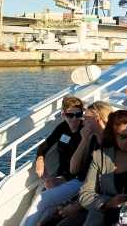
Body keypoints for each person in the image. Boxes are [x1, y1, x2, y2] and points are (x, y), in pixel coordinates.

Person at [79, 110, 127, 226]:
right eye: (123, 137)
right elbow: (85, 194)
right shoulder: (101, 157)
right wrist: (108, 202)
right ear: (114, 137)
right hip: (105, 217)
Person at [20, 96, 85, 226]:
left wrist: (62, 180)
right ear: (63, 114)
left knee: (42, 199)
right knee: (47, 209)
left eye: (78, 115)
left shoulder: (85, 132)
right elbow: (45, 145)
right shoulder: (62, 128)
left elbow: (86, 165)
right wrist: (40, 159)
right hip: (63, 176)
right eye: (70, 115)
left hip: (79, 180)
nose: (74, 119)